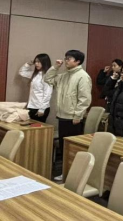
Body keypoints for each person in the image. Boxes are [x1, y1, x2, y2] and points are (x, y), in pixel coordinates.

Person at [44, 50, 92, 180]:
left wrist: (78, 115)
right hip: (62, 115)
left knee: (72, 148)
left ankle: (73, 175)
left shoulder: (83, 76)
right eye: (66, 58)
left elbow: (85, 99)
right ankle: (65, 172)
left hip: (73, 118)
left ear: (78, 61)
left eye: (69, 58)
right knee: (64, 146)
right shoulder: (64, 75)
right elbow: (47, 79)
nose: (66, 61)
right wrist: (55, 67)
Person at [18, 54, 53, 122]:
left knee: (38, 127)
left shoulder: (47, 76)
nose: (36, 64)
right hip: (31, 106)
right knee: (30, 127)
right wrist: (28, 64)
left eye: (39, 62)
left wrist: (42, 109)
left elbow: (48, 94)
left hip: (40, 107)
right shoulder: (34, 74)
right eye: (36, 61)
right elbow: (22, 72)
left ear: (44, 62)